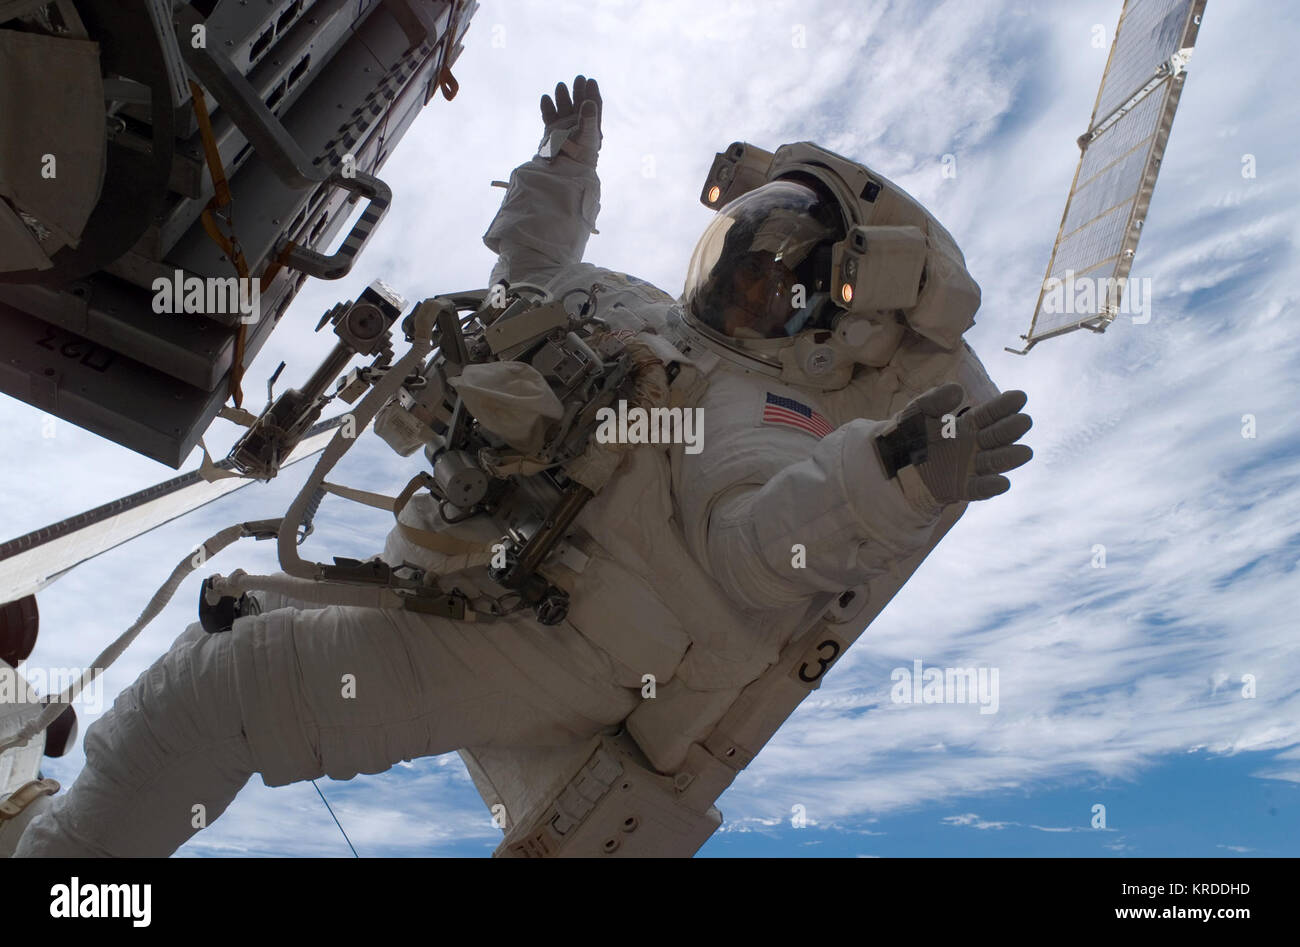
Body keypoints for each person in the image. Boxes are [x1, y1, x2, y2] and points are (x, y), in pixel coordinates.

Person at [5, 76, 1031, 857]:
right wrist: (565, 160)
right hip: (465, 574)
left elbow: (758, 549)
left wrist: (887, 473)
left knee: (215, 693)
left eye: (783, 278)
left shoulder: (760, 411)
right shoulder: (643, 314)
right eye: (749, 250)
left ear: (832, 324)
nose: (751, 280)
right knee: (224, 633)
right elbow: (537, 266)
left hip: (552, 642)